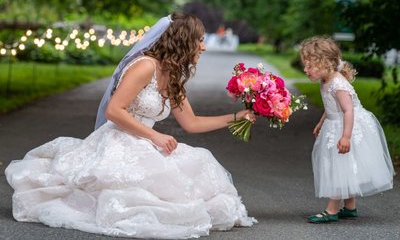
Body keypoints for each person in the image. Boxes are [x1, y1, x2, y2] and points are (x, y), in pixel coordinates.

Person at [5, 12, 257, 239]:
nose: (203, 46)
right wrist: (155, 136)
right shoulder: (145, 66)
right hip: (121, 139)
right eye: (199, 40)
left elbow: (191, 123)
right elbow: (114, 111)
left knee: (197, 165)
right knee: (131, 193)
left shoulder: (172, 75)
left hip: (147, 142)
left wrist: (238, 117)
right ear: (183, 40)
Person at [300, 36, 394, 224]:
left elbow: (348, 110)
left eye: (310, 66)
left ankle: (331, 210)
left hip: (348, 127)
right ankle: (350, 207)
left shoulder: (338, 84)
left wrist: (346, 136)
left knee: (338, 168)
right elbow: (330, 107)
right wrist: (321, 122)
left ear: (325, 63)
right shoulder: (325, 80)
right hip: (335, 124)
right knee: (344, 167)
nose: (305, 70)